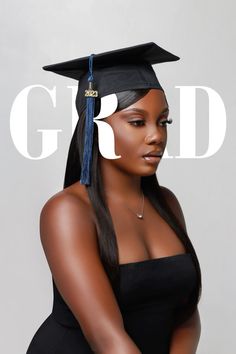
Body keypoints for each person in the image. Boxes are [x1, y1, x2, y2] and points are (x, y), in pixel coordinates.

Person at [26, 42, 202, 354]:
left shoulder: (167, 203)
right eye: (138, 122)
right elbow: (105, 337)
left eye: (163, 121)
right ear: (97, 128)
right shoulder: (68, 212)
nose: (156, 135)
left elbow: (186, 315)